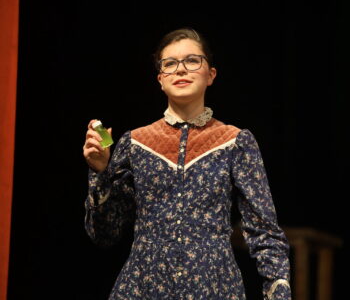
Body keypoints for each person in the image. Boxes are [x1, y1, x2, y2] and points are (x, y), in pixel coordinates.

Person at [83, 28, 291, 300]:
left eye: (192, 61)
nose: (180, 70)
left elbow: (264, 231)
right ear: (160, 79)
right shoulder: (134, 143)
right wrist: (100, 173)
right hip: (143, 287)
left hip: (214, 287)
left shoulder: (235, 142)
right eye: (170, 64)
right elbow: (104, 235)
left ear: (211, 75)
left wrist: (277, 290)